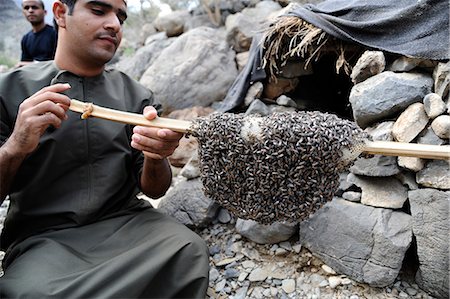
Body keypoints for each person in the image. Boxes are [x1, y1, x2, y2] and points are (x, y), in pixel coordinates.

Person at [0, 0, 210, 297]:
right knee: (30, 292)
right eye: (99, 11)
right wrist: (15, 146)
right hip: (44, 238)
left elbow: (154, 190)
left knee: (188, 249)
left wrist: (155, 156)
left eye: (120, 17)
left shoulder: (137, 96)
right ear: (60, 13)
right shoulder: (9, 91)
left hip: (126, 223)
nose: (114, 24)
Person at [16, 0, 57, 67]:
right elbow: (24, 63)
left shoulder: (55, 34)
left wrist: (33, 64)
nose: (30, 11)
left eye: (34, 7)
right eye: (26, 8)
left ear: (45, 12)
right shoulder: (25, 39)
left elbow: (59, 63)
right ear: (23, 13)